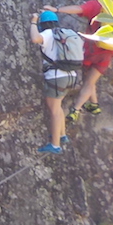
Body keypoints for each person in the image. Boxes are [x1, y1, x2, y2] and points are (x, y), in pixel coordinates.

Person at [45, 0, 113, 121]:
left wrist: (57, 10)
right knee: (91, 80)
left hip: (92, 50)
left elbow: (78, 9)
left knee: (88, 80)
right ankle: (94, 104)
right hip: (108, 52)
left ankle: (76, 109)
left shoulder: (96, 5)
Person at [28, 10, 79, 154]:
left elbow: (35, 38)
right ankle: (62, 135)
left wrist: (33, 21)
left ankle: (55, 145)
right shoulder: (65, 33)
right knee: (58, 105)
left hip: (57, 77)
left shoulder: (48, 33)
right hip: (71, 75)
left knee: (54, 109)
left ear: (43, 24)